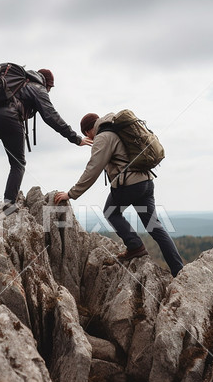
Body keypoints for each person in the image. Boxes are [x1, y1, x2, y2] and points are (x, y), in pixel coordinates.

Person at [54, 112, 183, 277]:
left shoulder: (103, 137)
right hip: (146, 182)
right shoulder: (117, 129)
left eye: (88, 135)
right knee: (154, 227)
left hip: (129, 185)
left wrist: (71, 194)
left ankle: (135, 246)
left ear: (88, 132)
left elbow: (93, 169)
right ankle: (178, 270)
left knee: (111, 212)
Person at [0, 68, 92, 212]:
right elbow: (51, 116)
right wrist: (76, 138)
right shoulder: (37, 88)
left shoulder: (15, 81)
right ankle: (9, 203)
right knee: (18, 164)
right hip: (9, 118)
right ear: (47, 83)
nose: (48, 92)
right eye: (50, 88)